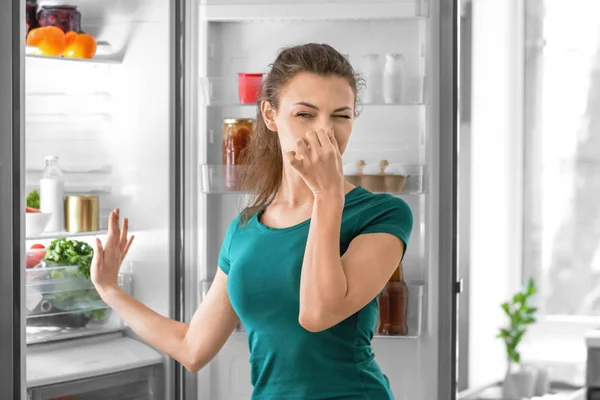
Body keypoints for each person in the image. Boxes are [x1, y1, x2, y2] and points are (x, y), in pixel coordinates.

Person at [91, 43, 413, 400]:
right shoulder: (245, 228)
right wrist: (110, 291)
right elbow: (192, 348)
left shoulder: (381, 214)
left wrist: (327, 196)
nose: (325, 131)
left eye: (341, 115)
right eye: (305, 114)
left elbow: (318, 313)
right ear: (271, 115)